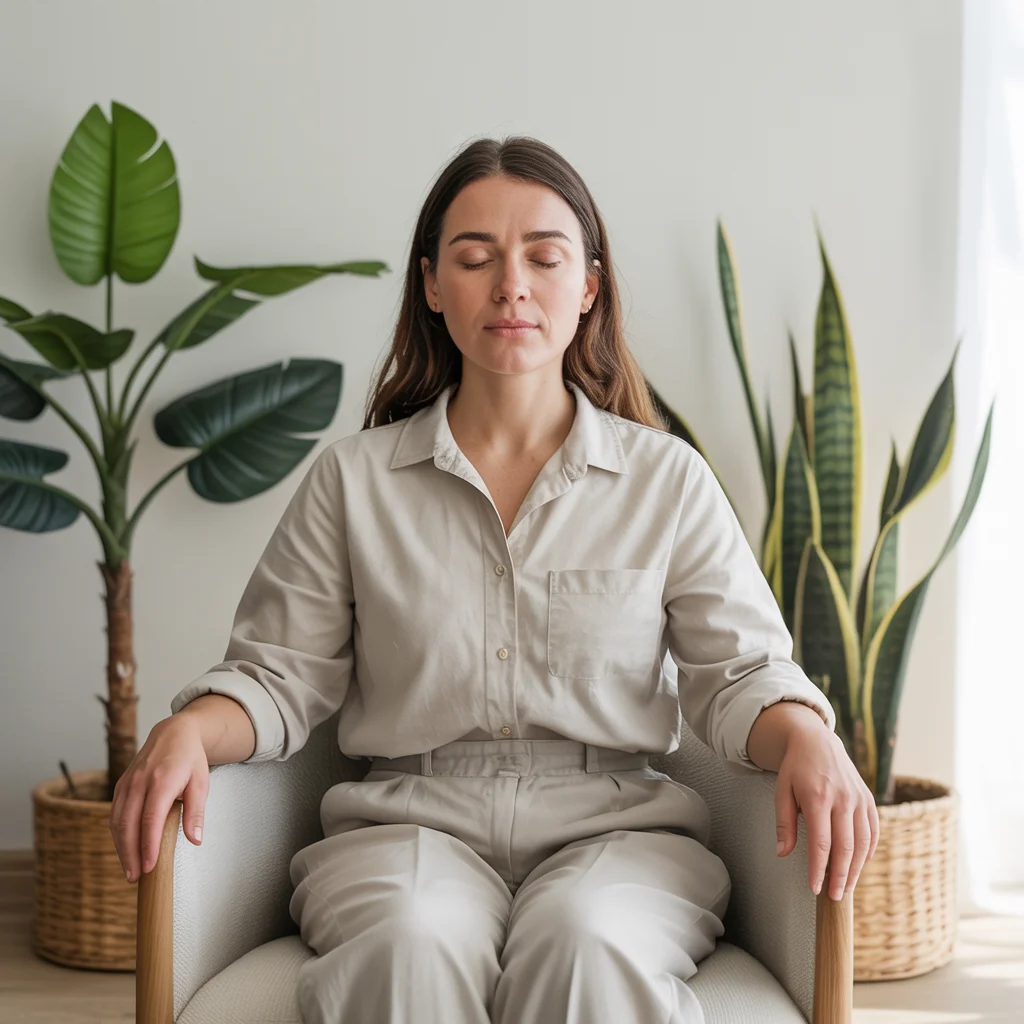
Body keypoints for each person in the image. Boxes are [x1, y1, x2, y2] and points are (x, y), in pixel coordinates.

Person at [110, 135, 879, 1024]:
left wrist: (810, 737)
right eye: (475, 258)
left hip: (619, 834)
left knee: (585, 941)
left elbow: (741, 673)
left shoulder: (667, 481)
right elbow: (277, 673)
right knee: (410, 940)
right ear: (433, 286)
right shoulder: (352, 481)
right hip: (404, 826)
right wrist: (188, 729)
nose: (511, 284)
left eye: (544, 257)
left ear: (588, 285)